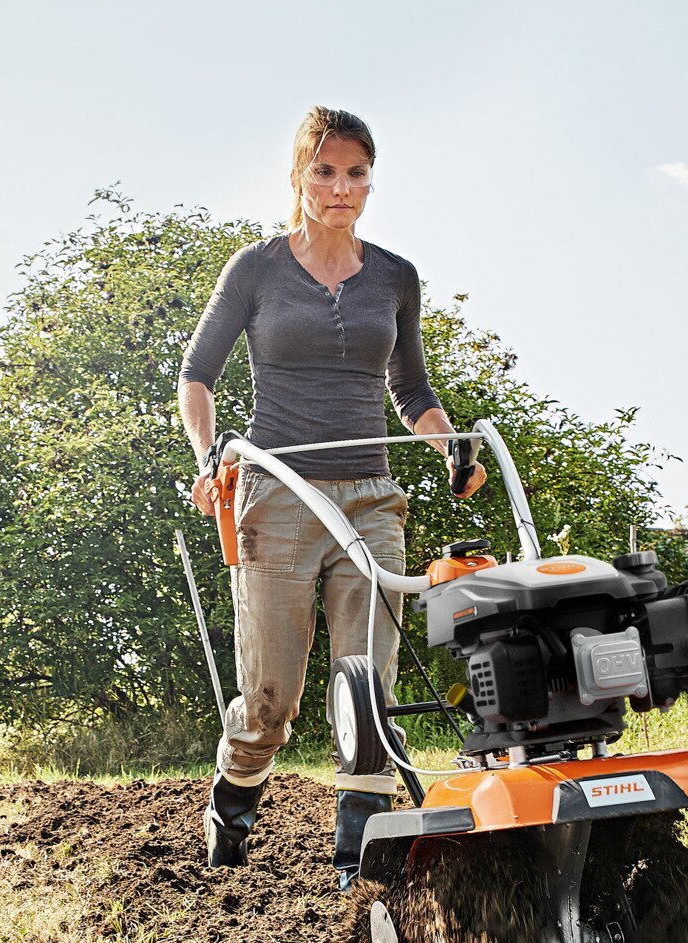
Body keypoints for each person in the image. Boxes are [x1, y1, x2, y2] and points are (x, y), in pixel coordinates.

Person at [179, 105, 486, 889]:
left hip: (371, 500)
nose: (339, 187)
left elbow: (410, 389)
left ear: (370, 181)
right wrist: (211, 452)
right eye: (324, 171)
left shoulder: (394, 276)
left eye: (354, 173)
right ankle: (233, 805)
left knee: (370, 684)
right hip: (278, 495)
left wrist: (449, 444)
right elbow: (197, 378)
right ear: (297, 177)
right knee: (270, 701)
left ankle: (361, 863)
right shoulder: (255, 269)